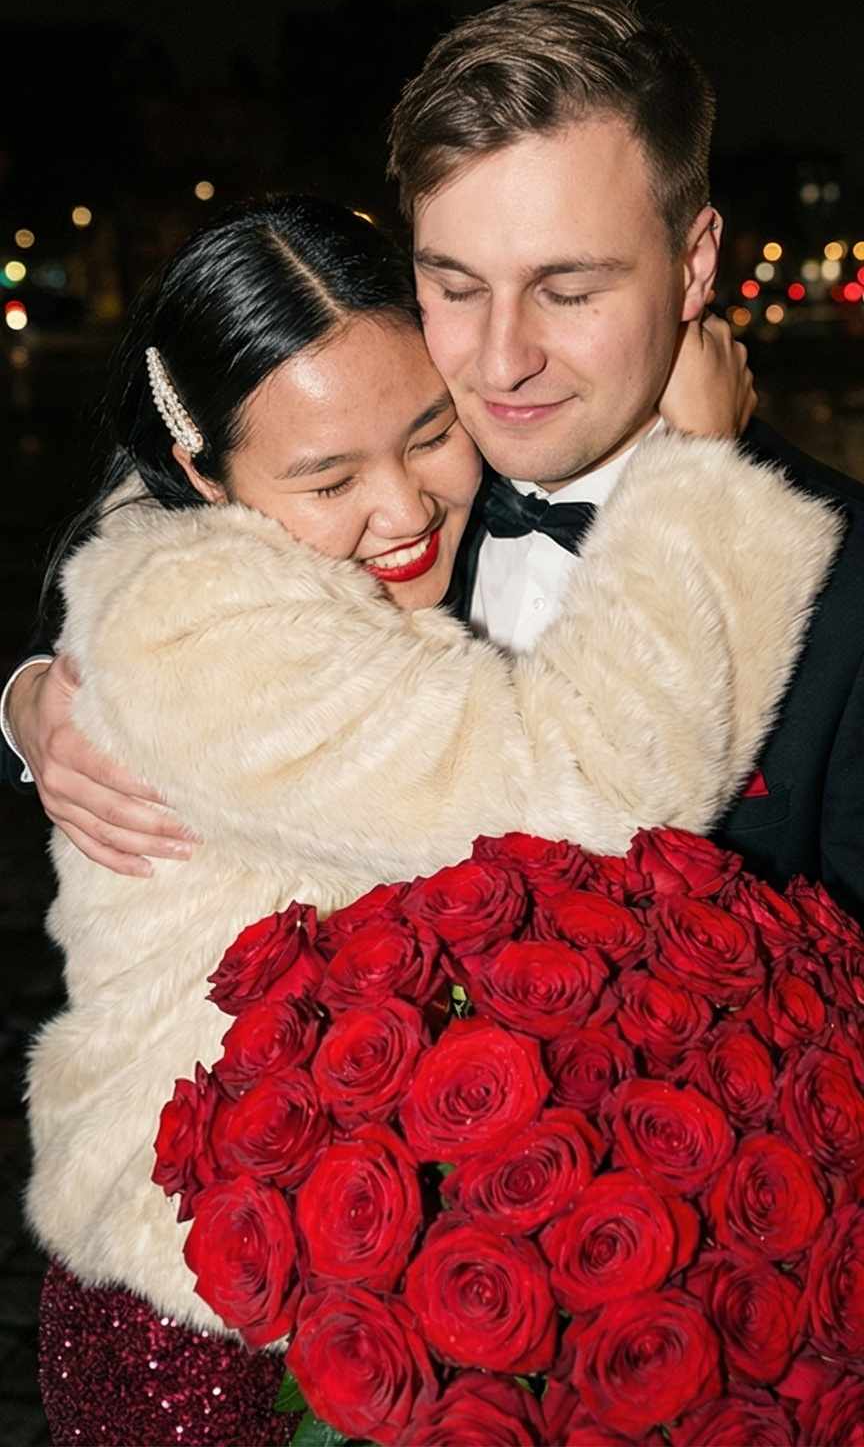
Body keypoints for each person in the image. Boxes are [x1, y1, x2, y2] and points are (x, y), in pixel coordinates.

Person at [23, 194, 838, 1447]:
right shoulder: (201, 625)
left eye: (427, 434)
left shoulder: (242, 560)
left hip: (321, 1260)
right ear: (203, 474)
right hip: (202, 1313)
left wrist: (23, 704)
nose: (403, 513)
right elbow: (597, 793)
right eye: (328, 477)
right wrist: (698, 473)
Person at [10, 0, 861, 916]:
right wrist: (47, 692)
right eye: (454, 288)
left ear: (695, 264)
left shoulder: (848, 585)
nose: (503, 364)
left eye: (569, 290)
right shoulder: (363, 524)